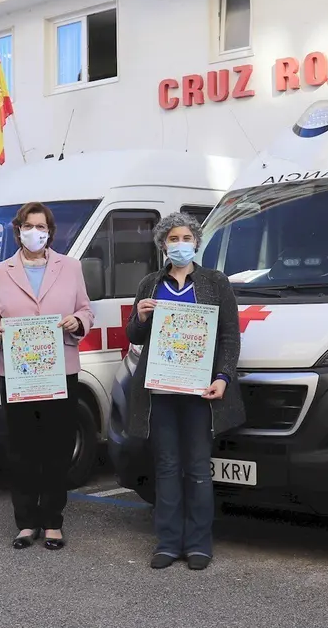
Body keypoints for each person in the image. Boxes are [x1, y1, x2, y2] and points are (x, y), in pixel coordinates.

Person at [125, 212, 244, 571]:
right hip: (159, 390)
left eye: (186, 238)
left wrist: (223, 376)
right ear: (163, 245)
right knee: (166, 466)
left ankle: (198, 543)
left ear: (196, 242)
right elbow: (135, 336)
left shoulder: (214, 281)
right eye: (173, 239)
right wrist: (141, 319)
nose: (180, 244)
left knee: (196, 468)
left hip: (200, 390)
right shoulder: (150, 283)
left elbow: (228, 335)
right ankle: (167, 541)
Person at [0, 202, 94, 551]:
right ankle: (26, 521)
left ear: (50, 232)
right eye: (28, 226)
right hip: (17, 373)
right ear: (18, 230)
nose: (34, 232)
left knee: (57, 447)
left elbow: (86, 309)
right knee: (22, 448)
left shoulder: (70, 268)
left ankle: (53, 521)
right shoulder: (0, 271)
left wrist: (78, 322)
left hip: (60, 370)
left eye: (41, 226)